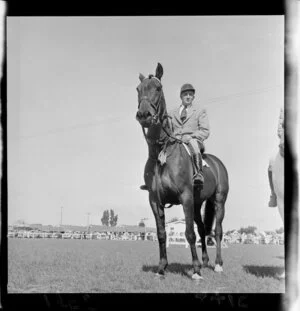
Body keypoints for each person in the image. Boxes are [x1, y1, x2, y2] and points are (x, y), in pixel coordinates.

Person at [140, 83, 209, 190]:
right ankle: (153, 178)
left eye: (190, 95)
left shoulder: (200, 111)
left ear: (193, 97)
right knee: (159, 152)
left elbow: (205, 130)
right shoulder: (172, 113)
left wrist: (191, 137)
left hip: (192, 141)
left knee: (194, 146)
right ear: (181, 96)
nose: (188, 97)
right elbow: (167, 127)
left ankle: (198, 174)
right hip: (175, 140)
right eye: (185, 94)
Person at [268, 108, 284, 207]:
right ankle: (274, 194)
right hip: (287, 144)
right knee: (272, 161)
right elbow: (279, 131)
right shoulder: (285, 108)